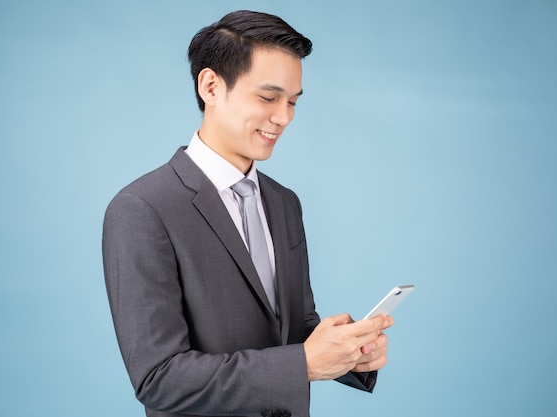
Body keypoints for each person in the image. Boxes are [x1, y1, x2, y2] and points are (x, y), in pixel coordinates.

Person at [102, 10, 394, 417]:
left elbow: (291, 327)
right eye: (268, 97)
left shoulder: (284, 202)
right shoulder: (141, 209)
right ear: (210, 86)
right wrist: (304, 363)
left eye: (292, 101)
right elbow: (159, 378)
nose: (284, 117)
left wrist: (346, 351)